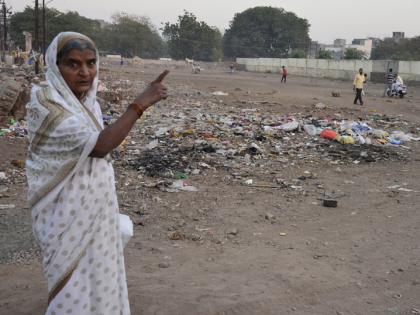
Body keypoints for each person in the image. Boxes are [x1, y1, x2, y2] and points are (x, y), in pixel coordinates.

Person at [26, 32, 168, 315]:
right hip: (65, 216)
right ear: (55, 66)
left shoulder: (87, 102)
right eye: (73, 64)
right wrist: (138, 105)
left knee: (101, 276)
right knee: (71, 288)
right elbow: (100, 146)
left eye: (91, 63)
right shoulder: (46, 105)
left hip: (96, 211)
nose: (85, 72)